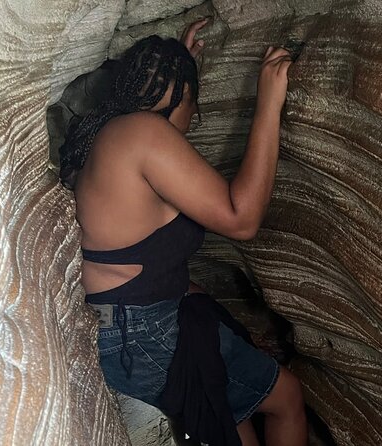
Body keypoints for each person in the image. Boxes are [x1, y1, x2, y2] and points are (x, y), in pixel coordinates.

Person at [59, 18, 307, 446]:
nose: (193, 120)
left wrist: (183, 65)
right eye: (194, 105)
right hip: (143, 337)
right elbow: (241, 219)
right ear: (182, 98)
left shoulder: (109, 132)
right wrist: (268, 102)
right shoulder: (144, 133)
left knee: (231, 415)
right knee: (286, 396)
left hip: (126, 330)